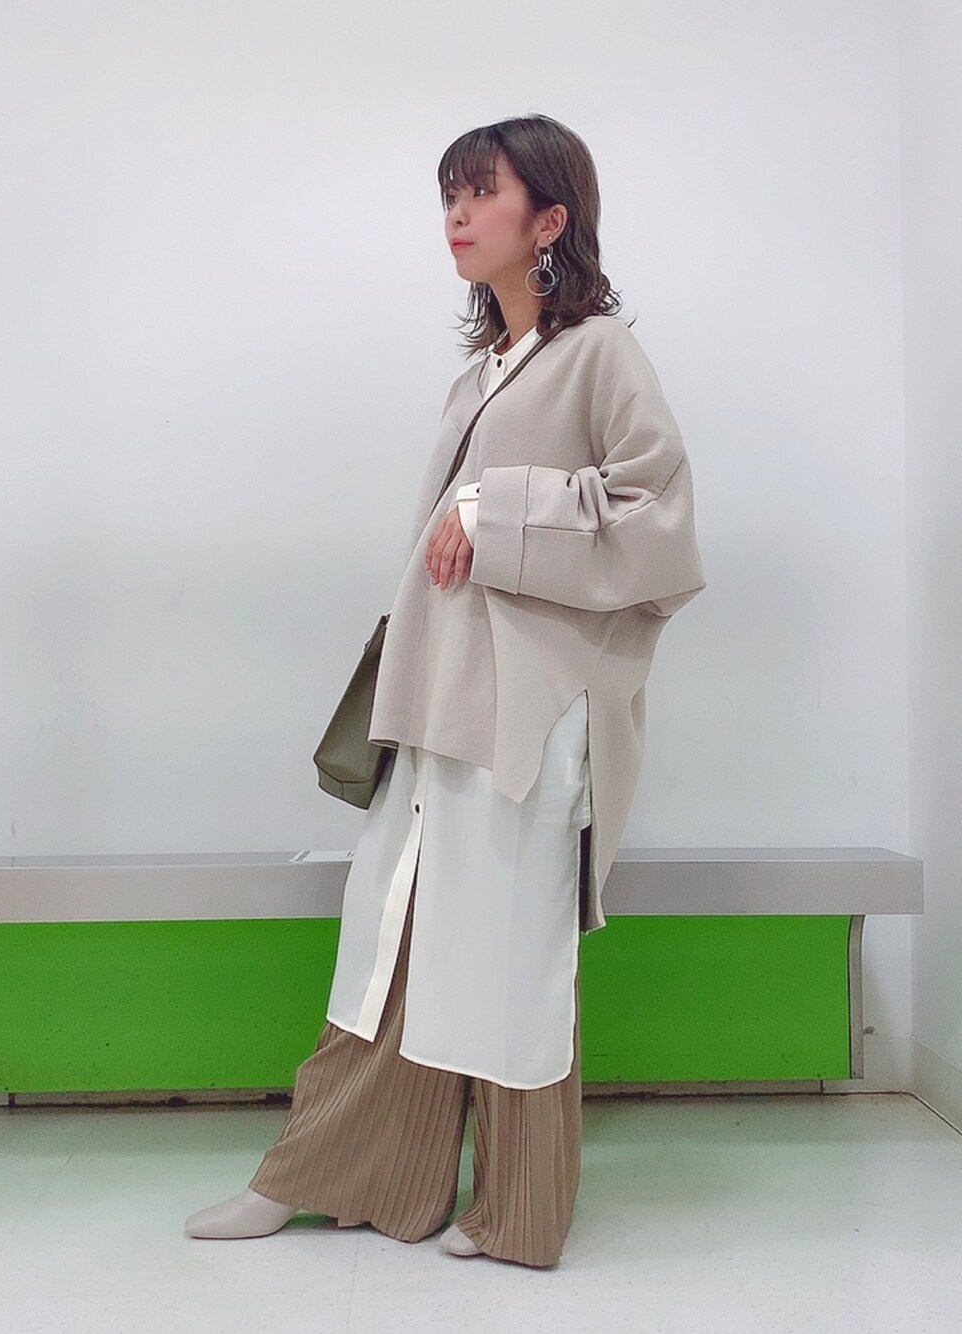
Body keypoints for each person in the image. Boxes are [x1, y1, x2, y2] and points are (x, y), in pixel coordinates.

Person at [185, 113, 705, 1268]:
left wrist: (491, 509)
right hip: (440, 701)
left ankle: (516, 1209)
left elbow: (659, 522)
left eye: (482, 192)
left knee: (509, 961)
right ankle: (335, 1174)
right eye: (450, 195)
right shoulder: (482, 371)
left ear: (550, 219)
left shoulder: (599, 354)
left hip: (526, 717)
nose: (458, 215)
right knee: (387, 943)